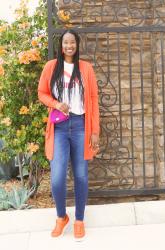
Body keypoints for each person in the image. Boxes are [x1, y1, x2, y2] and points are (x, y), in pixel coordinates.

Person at [38, 29, 100, 241]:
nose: (69, 46)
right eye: (65, 42)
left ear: (77, 44)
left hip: (81, 125)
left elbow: (92, 99)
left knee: (81, 176)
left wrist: (95, 131)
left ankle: (79, 220)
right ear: (61, 45)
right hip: (60, 128)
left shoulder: (86, 68)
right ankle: (61, 216)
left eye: (72, 42)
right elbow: (42, 93)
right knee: (56, 179)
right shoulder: (51, 67)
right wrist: (56, 104)